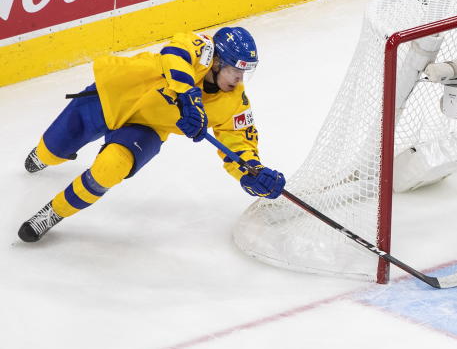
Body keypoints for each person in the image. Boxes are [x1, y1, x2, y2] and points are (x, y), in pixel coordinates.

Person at [18, 26, 285, 242]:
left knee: (110, 169)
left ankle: (54, 212)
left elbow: (239, 145)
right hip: (112, 97)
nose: (239, 80)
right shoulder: (202, 48)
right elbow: (174, 53)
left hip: (147, 127)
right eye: (235, 71)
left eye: (245, 73)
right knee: (50, 151)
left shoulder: (235, 102)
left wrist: (253, 171)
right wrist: (187, 94)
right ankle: (45, 156)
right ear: (216, 62)